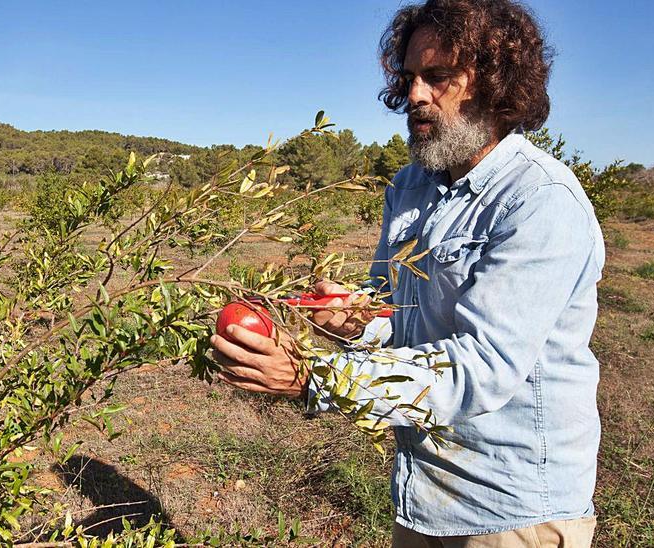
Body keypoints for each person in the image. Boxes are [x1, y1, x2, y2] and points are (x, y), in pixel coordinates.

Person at [209, 0, 605, 546]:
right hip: (423, 491)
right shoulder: (412, 186)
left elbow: (481, 366)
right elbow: (399, 313)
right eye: (411, 77)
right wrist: (356, 317)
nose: (416, 96)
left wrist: (313, 379)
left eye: (438, 77)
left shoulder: (538, 200)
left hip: (511, 509)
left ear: (494, 83)